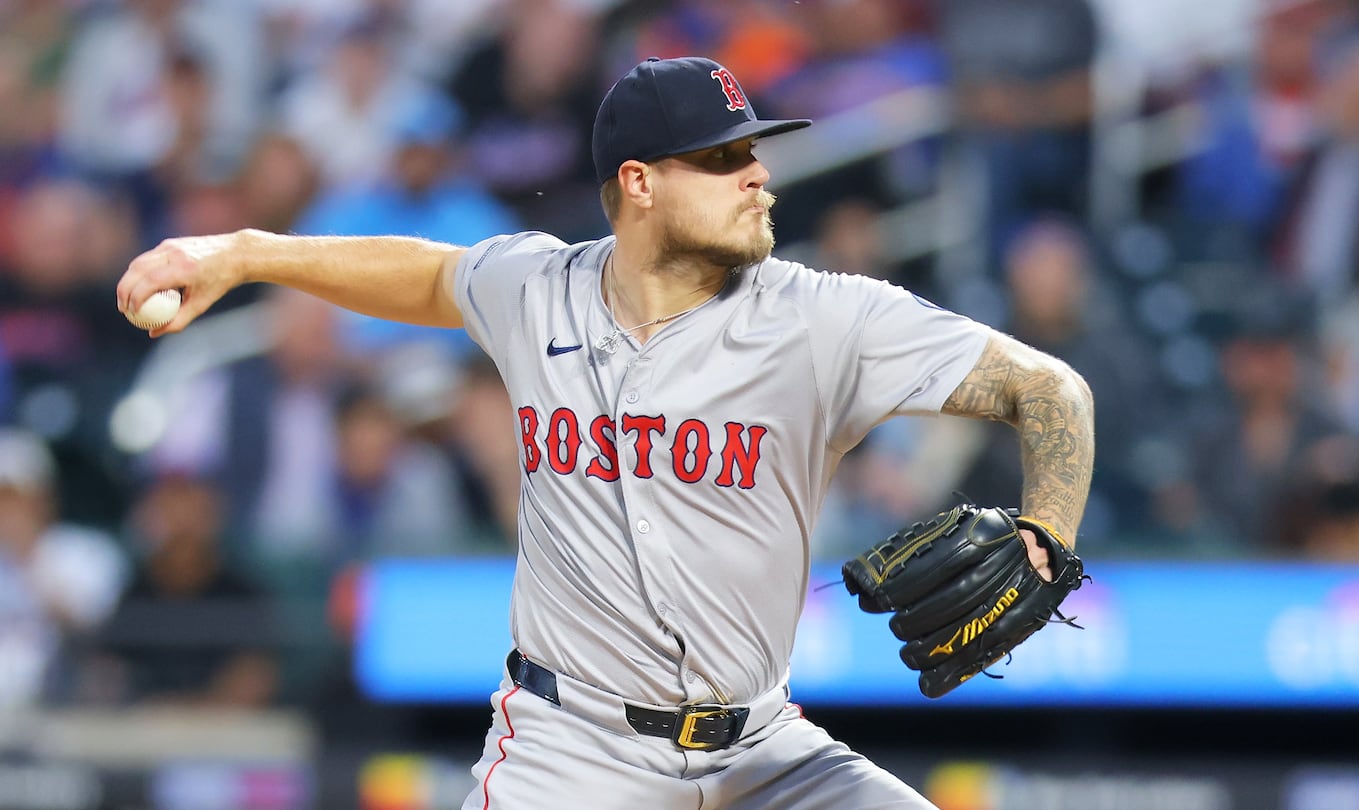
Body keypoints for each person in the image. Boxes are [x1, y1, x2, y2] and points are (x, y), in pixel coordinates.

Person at [117, 56, 1094, 810]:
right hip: (569, 750)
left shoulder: (825, 317)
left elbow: (1052, 391)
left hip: (764, 752)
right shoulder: (535, 287)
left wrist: (1045, 536)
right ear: (639, 184)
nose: (757, 174)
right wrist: (244, 253)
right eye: (723, 158)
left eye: (752, 150)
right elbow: (422, 272)